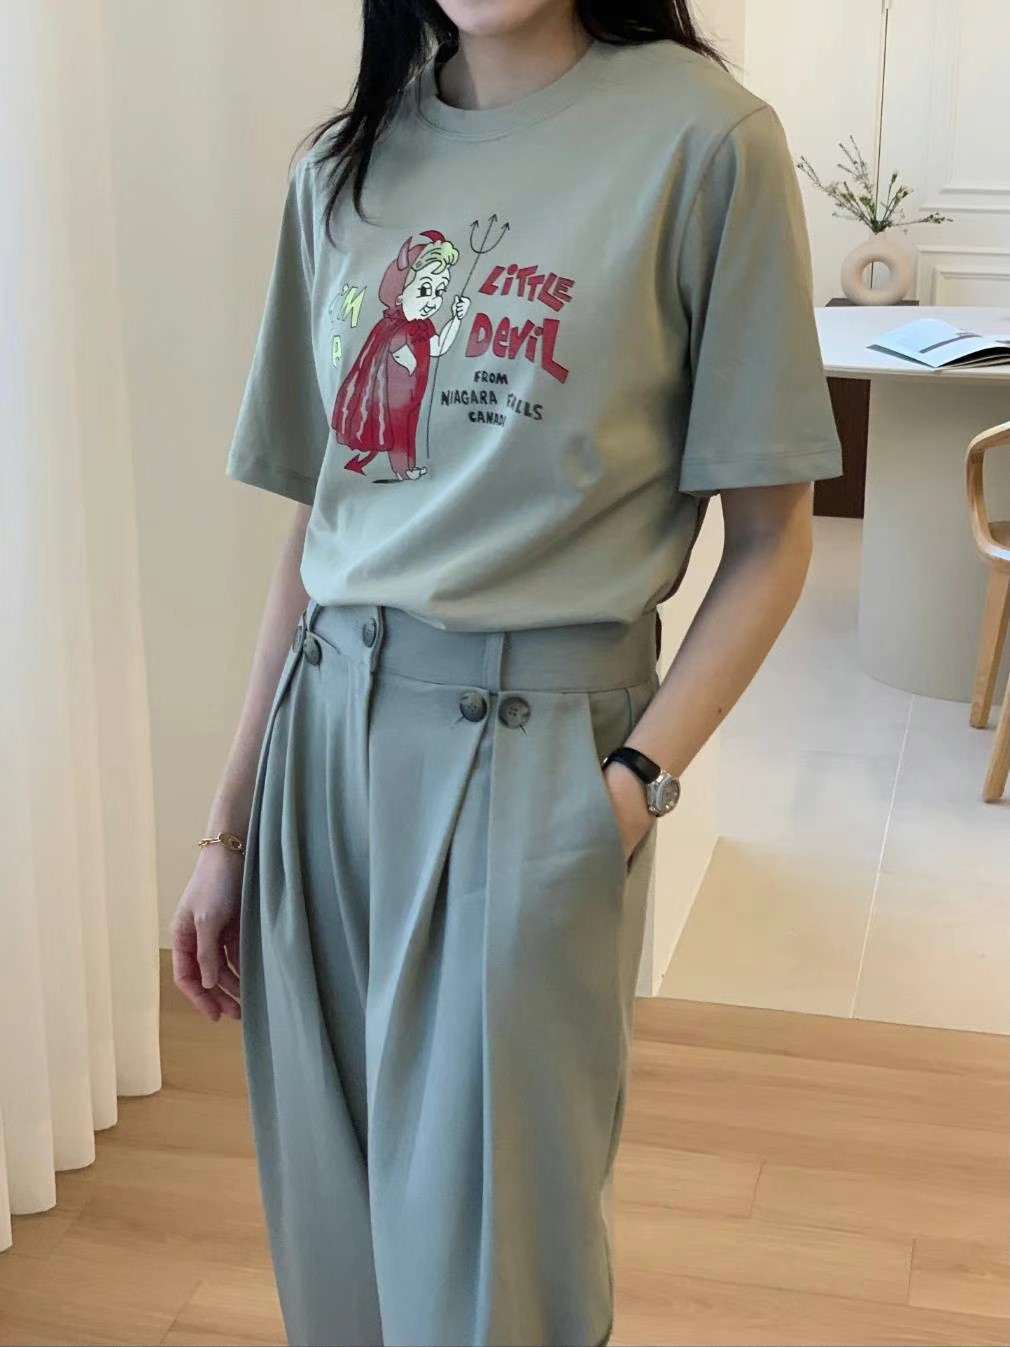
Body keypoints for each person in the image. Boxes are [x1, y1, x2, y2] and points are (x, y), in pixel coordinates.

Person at [170, 2, 843, 1344]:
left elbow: (772, 541)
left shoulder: (707, 144)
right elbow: (319, 528)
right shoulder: (342, 168)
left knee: (502, 1278)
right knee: (334, 1246)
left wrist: (630, 787)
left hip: (531, 755)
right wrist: (229, 826)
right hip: (321, 745)